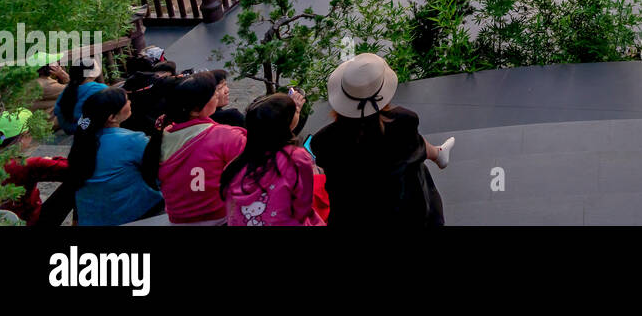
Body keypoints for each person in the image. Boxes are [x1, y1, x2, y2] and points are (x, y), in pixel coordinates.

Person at [309, 54, 453, 228]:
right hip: (408, 213)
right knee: (410, 152)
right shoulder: (402, 121)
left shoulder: (324, 141)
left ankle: (438, 153)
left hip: (351, 217)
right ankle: (438, 153)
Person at [157, 73, 247, 224]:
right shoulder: (224, 136)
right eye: (213, 93)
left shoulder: (161, 137)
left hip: (177, 219)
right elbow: (260, 163)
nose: (217, 95)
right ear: (196, 110)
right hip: (219, 217)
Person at [66, 88, 164, 226]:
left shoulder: (81, 143)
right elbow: (161, 167)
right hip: (131, 216)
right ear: (112, 118)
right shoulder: (132, 140)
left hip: (90, 219)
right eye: (126, 101)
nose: (130, 102)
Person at [222, 91, 321, 226]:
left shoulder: (234, 166)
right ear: (285, 125)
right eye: (295, 113)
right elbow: (302, 209)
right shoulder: (297, 157)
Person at [54, 58, 109, 136]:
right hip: (84, 129)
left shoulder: (68, 89)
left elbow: (57, 110)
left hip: (67, 128)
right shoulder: (100, 88)